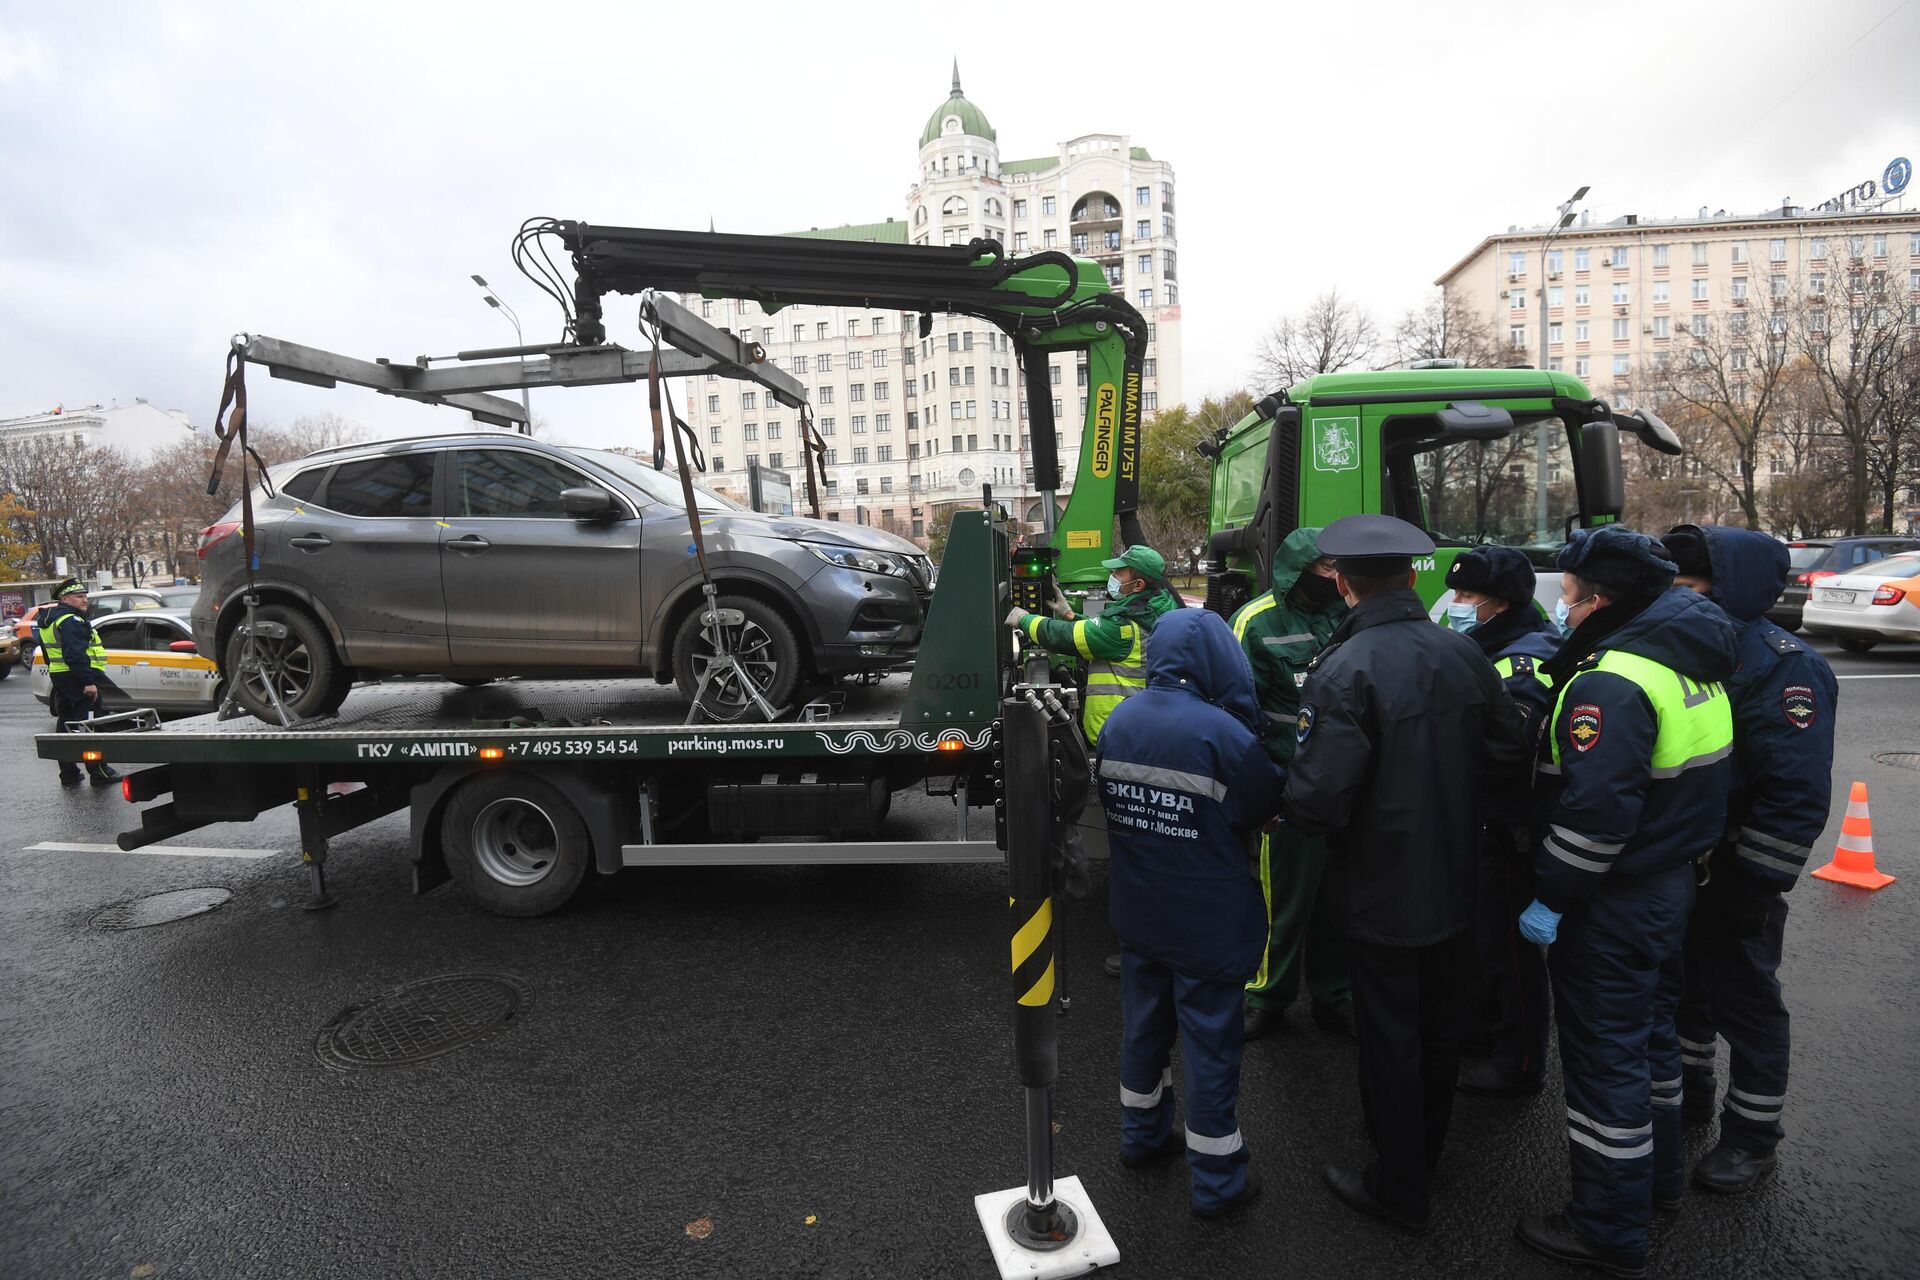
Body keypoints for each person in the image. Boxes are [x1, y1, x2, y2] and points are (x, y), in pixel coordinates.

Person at [1281, 515, 1528, 1234]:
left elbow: (1319, 800)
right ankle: (1423, 1147)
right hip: (1459, 876)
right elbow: (1510, 752)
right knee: (1441, 1025)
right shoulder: (1463, 652)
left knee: (1390, 1034)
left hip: (1381, 886)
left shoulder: (1344, 668)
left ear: (1343, 582)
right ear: (1415, 575)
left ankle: (1399, 1185)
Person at [1514, 527, 1737, 1279]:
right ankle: (1660, 1182)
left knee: (1603, 1059)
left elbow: (1593, 822)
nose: (1563, 607)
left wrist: (1548, 895)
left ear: (1600, 597)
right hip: (1670, 885)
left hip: (1612, 901)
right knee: (1649, 1044)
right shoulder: (1690, 663)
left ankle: (1608, 1226)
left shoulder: (1612, 682)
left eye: (1570, 593)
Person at [1662, 525, 1837, 1193]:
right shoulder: (1695, 646)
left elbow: (1795, 791)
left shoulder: (1783, 664)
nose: (1675, 598)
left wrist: (1756, 883)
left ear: (1728, 587)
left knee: (1748, 1004)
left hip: (1737, 871)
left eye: (1689, 586)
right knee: (1685, 992)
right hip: (1686, 863)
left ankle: (1753, 1136)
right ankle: (1692, 1092)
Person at [1096, 607, 1284, 1218]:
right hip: (1207, 920)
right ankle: (1218, 1182)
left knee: (1143, 1029)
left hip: (1139, 912)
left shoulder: (1119, 720)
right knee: (1209, 1047)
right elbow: (1261, 803)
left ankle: (1142, 1138)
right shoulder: (1223, 734)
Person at [1444, 546, 1562, 1097]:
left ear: (1502, 603)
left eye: (1469, 597)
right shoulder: (1484, 646)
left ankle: (1518, 1062)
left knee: (1507, 950)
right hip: (1480, 820)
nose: (1458, 605)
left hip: (1508, 825)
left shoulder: (1522, 659)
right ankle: (1479, 1033)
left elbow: (1510, 750)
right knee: (1477, 940)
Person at [1229, 527, 1353, 1040]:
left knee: (1339, 899)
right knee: (1282, 899)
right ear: (1298, 570)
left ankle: (1336, 995)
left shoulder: (1350, 614)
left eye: (1339, 568)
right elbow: (1236, 712)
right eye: (1326, 568)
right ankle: (1266, 995)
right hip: (1287, 787)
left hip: (1343, 785)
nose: (1336, 578)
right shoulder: (1256, 622)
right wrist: (1260, 791)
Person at [1006, 543, 1181, 746]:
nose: (1112, 576)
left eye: (1119, 573)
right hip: (1139, 725)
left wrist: (1025, 620)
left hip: (1119, 731)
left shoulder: (1122, 627)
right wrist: (1070, 615)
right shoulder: (1156, 609)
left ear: (1138, 585)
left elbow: (1064, 637)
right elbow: (1098, 634)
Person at [37, 579, 121, 788]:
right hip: (78, 678)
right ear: (65, 599)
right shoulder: (71, 620)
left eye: (85, 596)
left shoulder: (51, 619)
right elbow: (76, 654)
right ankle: (99, 771)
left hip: (62, 676)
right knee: (92, 725)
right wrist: (88, 682)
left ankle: (69, 773)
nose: (84, 600)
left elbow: (50, 654)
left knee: (66, 723)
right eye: (79, 597)